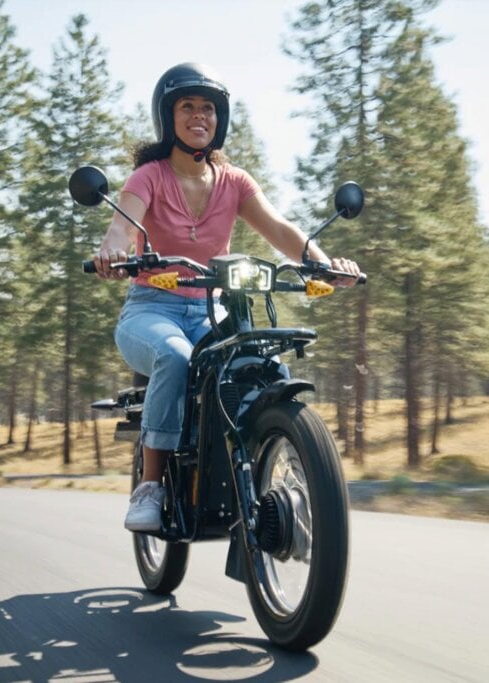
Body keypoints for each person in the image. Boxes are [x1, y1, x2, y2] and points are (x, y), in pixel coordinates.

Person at [91, 63, 360, 532]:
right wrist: (112, 249)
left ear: (221, 118)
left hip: (212, 309)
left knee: (266, 363)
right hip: (152, 308)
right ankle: (150, 486)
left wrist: (324, 263)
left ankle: (285, 470)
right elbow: (122, 225)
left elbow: (280, 229)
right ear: (167, 116)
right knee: (175, 358)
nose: (200, 116)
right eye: (187, 106)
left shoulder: (234, 181)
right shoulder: (148, 177)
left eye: (209, 108)